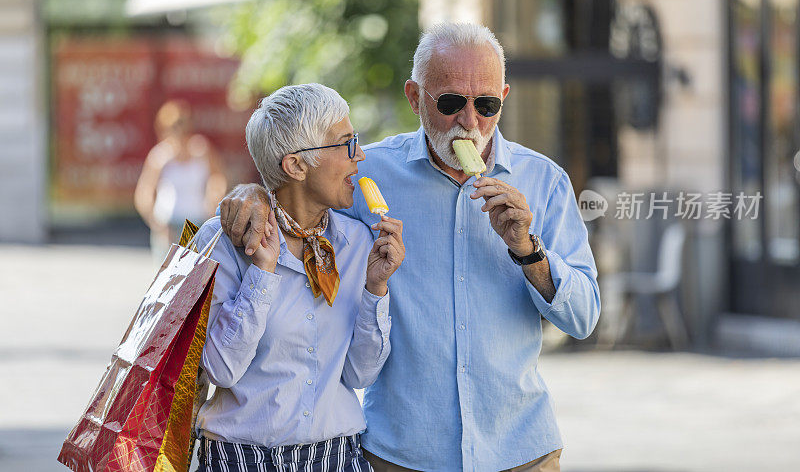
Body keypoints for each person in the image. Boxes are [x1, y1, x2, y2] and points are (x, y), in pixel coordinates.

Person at [218, 23, 600, 472]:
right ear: (414, 97)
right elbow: (299, 196)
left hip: (521, 451)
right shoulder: (365, 173)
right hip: (402, 455)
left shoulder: (546, 181)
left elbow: (583, 318)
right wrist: (254, 194)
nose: (470, 121)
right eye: (452, 102)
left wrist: (528, 249)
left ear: (504, 97)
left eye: (488, 104)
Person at [192, 83, 405, 472]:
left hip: (336, 455)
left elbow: (360, 374)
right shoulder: (221, 241)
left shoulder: (357, 240)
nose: (359, 156)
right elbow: (222, 369)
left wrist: (376, 288)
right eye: (345, 144)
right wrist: (263, 271)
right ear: (296, 166)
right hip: (239, 458)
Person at [134, 99, 227, 263]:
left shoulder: (202, 149)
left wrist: (213, 200)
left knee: (195, 276)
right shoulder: (160, 156)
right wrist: (156, 223)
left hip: (197, 222)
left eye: (182, 126)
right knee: (169, 279)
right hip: (169, 224)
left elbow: (217, 178)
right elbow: (144, 192)